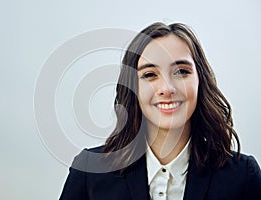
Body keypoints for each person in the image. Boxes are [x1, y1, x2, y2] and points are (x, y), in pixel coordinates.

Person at [59, 22, 261, 200]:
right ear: (132, 87)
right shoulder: (89, 172)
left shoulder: (243, 176)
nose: (167, 88)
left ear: (201, 81)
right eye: (149, 74)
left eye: (181, 71)